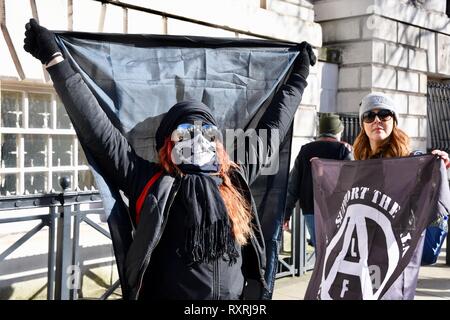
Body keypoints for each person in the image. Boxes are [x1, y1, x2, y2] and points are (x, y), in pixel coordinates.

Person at [23, 19, 316, 300]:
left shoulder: (233, 178)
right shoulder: (151, 181)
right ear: (167, 143)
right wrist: (55, 61)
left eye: (207, 131)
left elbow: (272, 130)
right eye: (186, 130)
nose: (198, 138)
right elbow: (98, 129)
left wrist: (299, 75)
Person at [353, 91, 450, 300]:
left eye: (384, 114)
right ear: (363, 124)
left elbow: (433, 198)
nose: (376, 120)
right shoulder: (356, 165)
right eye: (369, 116)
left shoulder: (412, 161)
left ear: (394, 121)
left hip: (395, 256)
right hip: (361, 255)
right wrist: (322, 172)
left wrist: (438, 163)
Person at [284, 113, 352, 247]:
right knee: (337, 249)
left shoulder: (305, 150)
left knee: (320, 251)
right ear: (338, 131)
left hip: (310, 208)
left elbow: (293, 185)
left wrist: (286, 213)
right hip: (336, 208)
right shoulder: (342, 150)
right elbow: (351, 180)